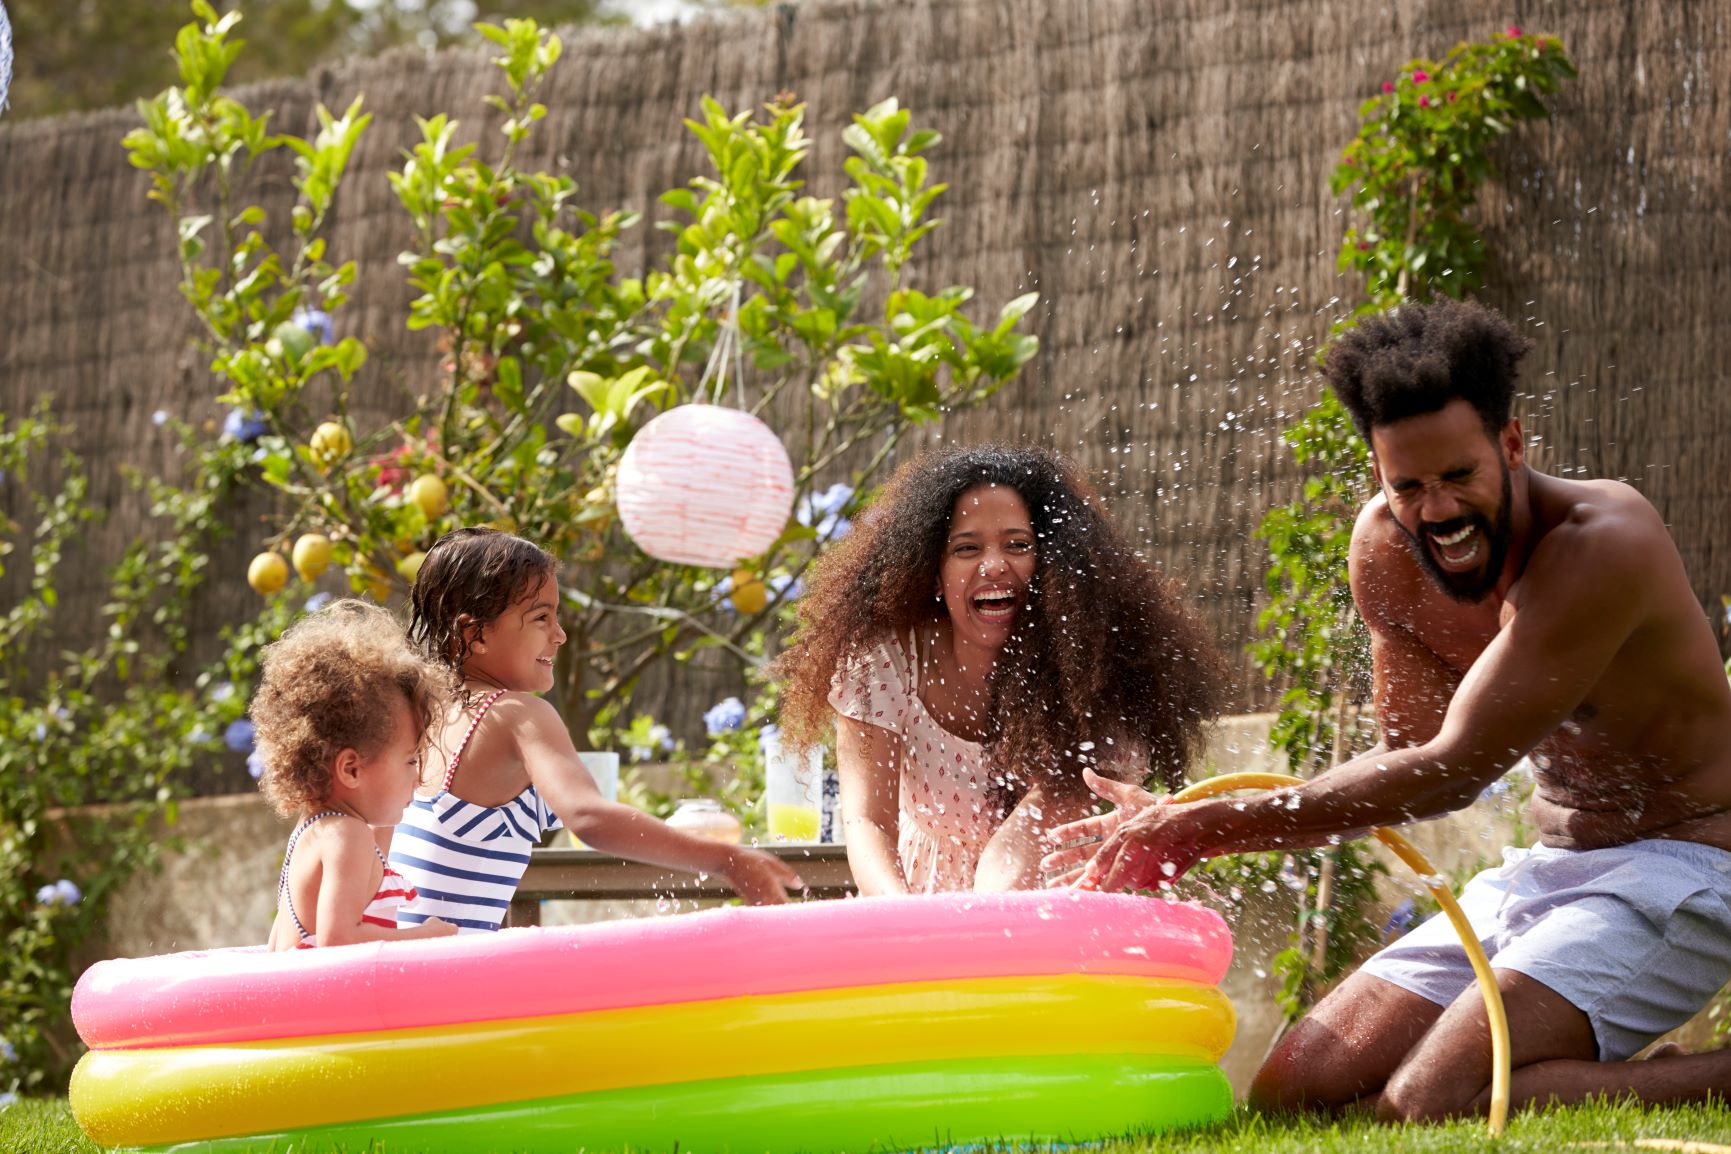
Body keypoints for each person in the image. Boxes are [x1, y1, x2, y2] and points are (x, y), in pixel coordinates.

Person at [1043, 298, 1731, 1120]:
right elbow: (1403, 750)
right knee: (1290, 1094)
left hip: (1683, 869)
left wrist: (1204, 829)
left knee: (1423, 1102)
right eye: (1407, 485)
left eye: (1458, 477)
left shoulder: (1600, 543)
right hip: (1551, 868)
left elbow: (1452, 773)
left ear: (1511, 445)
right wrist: (1205, 811)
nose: (1436, 511)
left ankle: (1710, 1078)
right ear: (1376, 472)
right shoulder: (1385, 549)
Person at [774, 445, 1223, 894]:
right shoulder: (886, 660)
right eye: (967, 548)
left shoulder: (1096, 673)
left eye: (1018, 545)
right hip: (913, 900)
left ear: (1054, 567)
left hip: (1047, 909)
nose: (993, 565)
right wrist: (905, 920)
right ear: (934, 574)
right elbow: (867, 819)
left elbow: (1010, 871)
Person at [390, 526, 802, 932]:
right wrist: (725, 859)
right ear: (474, 633)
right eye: (541, 618)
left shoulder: (423, 714)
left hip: (394, 965)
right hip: (446, 976)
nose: (560, 635)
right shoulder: (517, 716)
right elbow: (588, 816)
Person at [254, 599, 460, 949]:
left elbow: (277, 946)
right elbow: (338, 939)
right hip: (323, 1004)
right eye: (411, 761)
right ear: (351, 769)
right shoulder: (347, 837)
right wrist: (425, 936)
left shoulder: (318, 830)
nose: (419, 777)